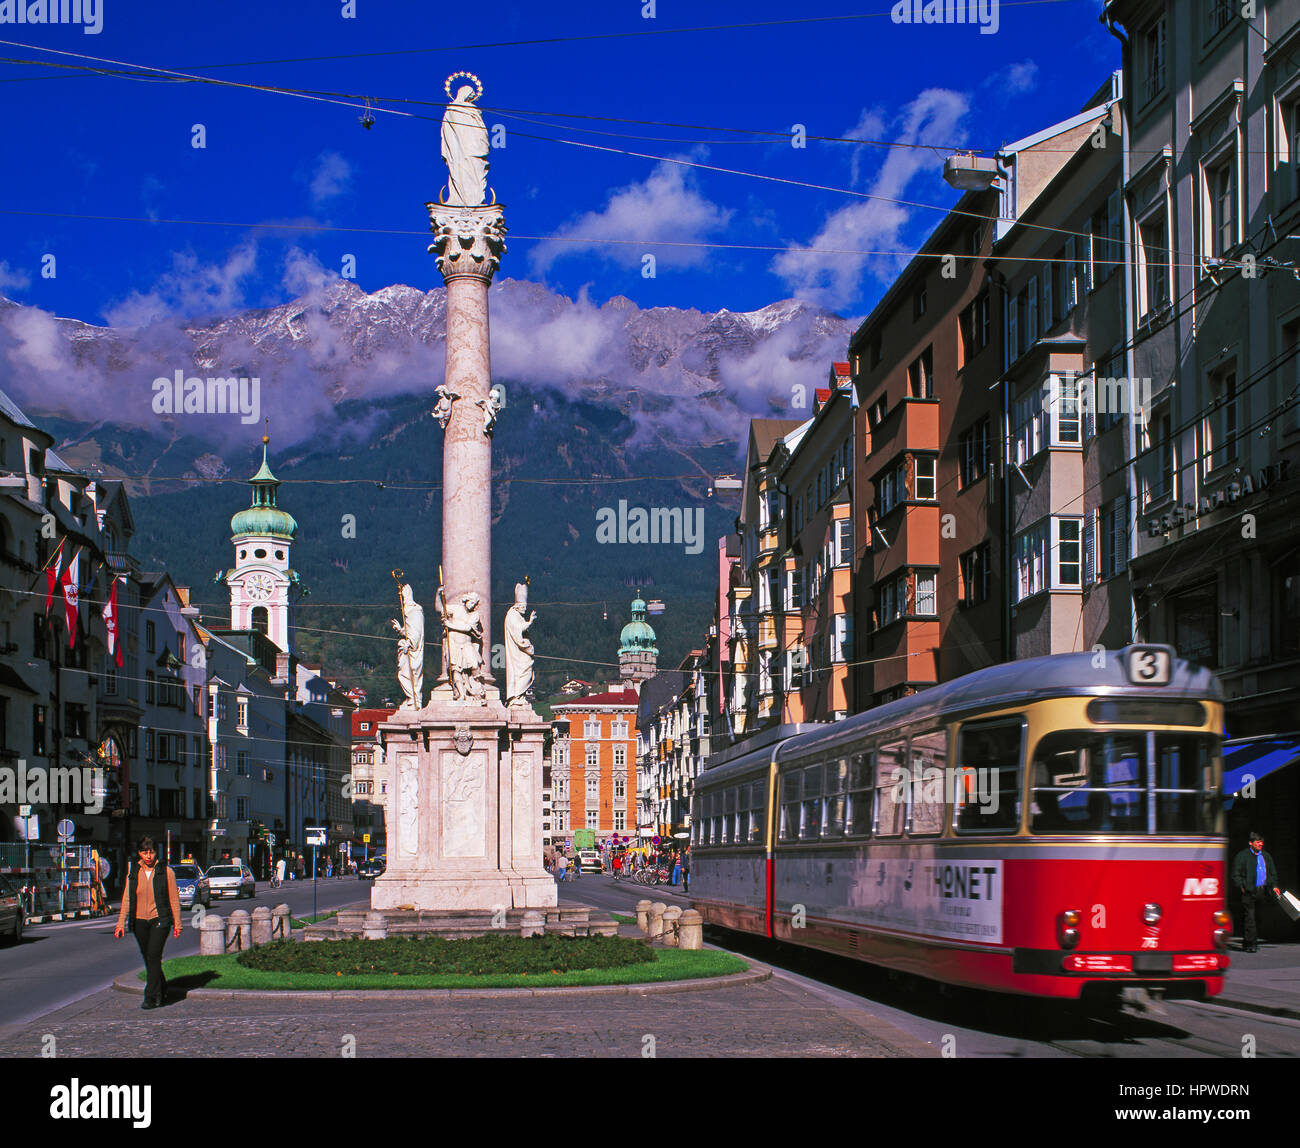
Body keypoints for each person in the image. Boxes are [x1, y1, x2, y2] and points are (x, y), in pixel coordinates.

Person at [114, 836, 182, 1010]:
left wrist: (177, 923)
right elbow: (127, 898)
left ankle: (150, 997)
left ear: (155, 853)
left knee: (153, 955)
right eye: (145, 852)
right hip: (139, 921)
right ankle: (162, 988)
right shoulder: (134, 871)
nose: (149, 856)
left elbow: (174, 899)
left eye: (151, 852)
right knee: (149, 959)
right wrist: (120, 922)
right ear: (139, 854)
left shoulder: (166, 872)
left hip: (160, 920)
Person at [1230, 831, 1281, 952]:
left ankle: (1248, 941)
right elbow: (1235, 874)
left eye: (1261, 842)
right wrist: (1242, 886)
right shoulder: (1242, 856)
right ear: (1250, 843)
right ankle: (1251, 944)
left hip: (1262, 891)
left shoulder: (1266, 856)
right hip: (1248, 891)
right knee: (1250, 918)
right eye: (1258, 842)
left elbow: (1273, 873)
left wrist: (1274, 886)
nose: (1260, 844)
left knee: (1257, 918)